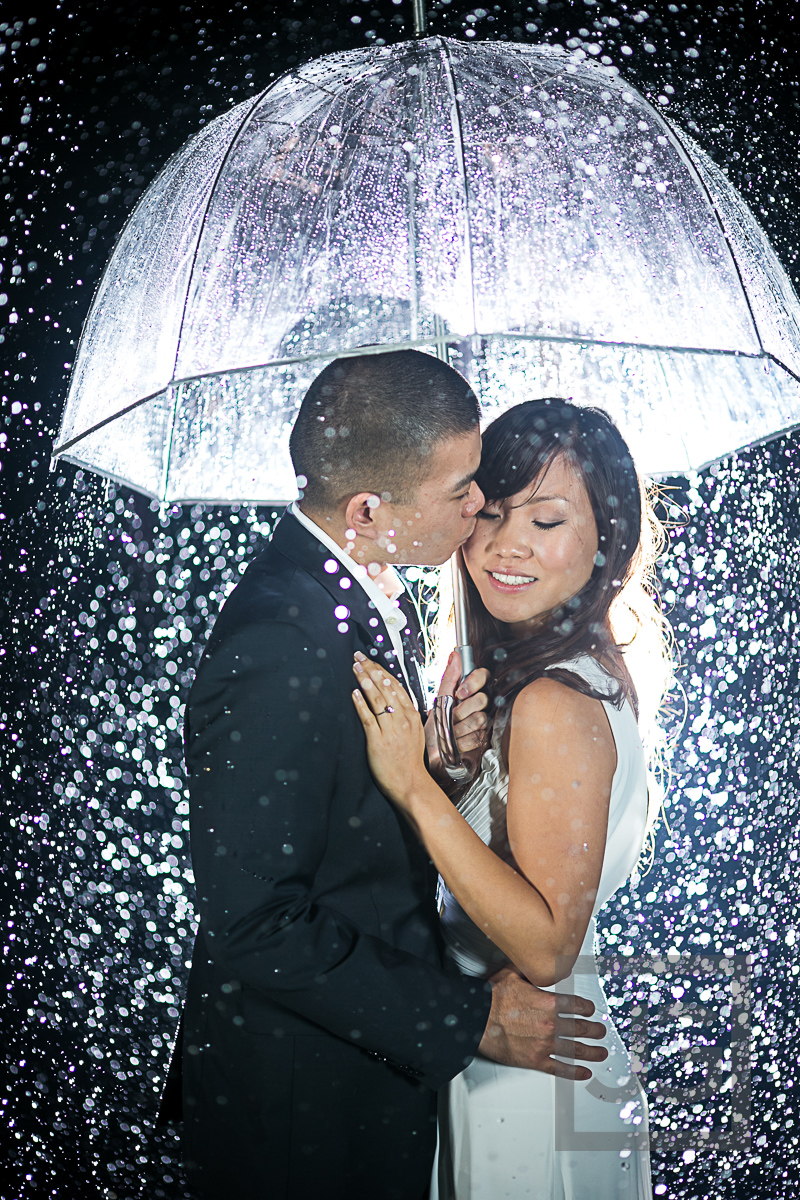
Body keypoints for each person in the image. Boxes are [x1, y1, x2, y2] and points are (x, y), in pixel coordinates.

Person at [180, 357, 608, 1199]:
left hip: (374, 1077)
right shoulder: (279, 642)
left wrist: (440, 767)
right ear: (369, 511)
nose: (481, 506)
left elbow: (352, 832)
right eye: (460, 490)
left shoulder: (366, 592)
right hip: (308, 1107)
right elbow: (255, 920)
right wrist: (469, 1019)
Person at [352, 397, 674, 1200]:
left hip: (529, 1077)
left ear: (610, 540)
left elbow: (545, 947)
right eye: (489, 512)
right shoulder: (569, 675)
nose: (505, 545)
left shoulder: (553, 703)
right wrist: (459, 774)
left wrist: (416, 790)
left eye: (546, 520)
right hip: (535, 1061)